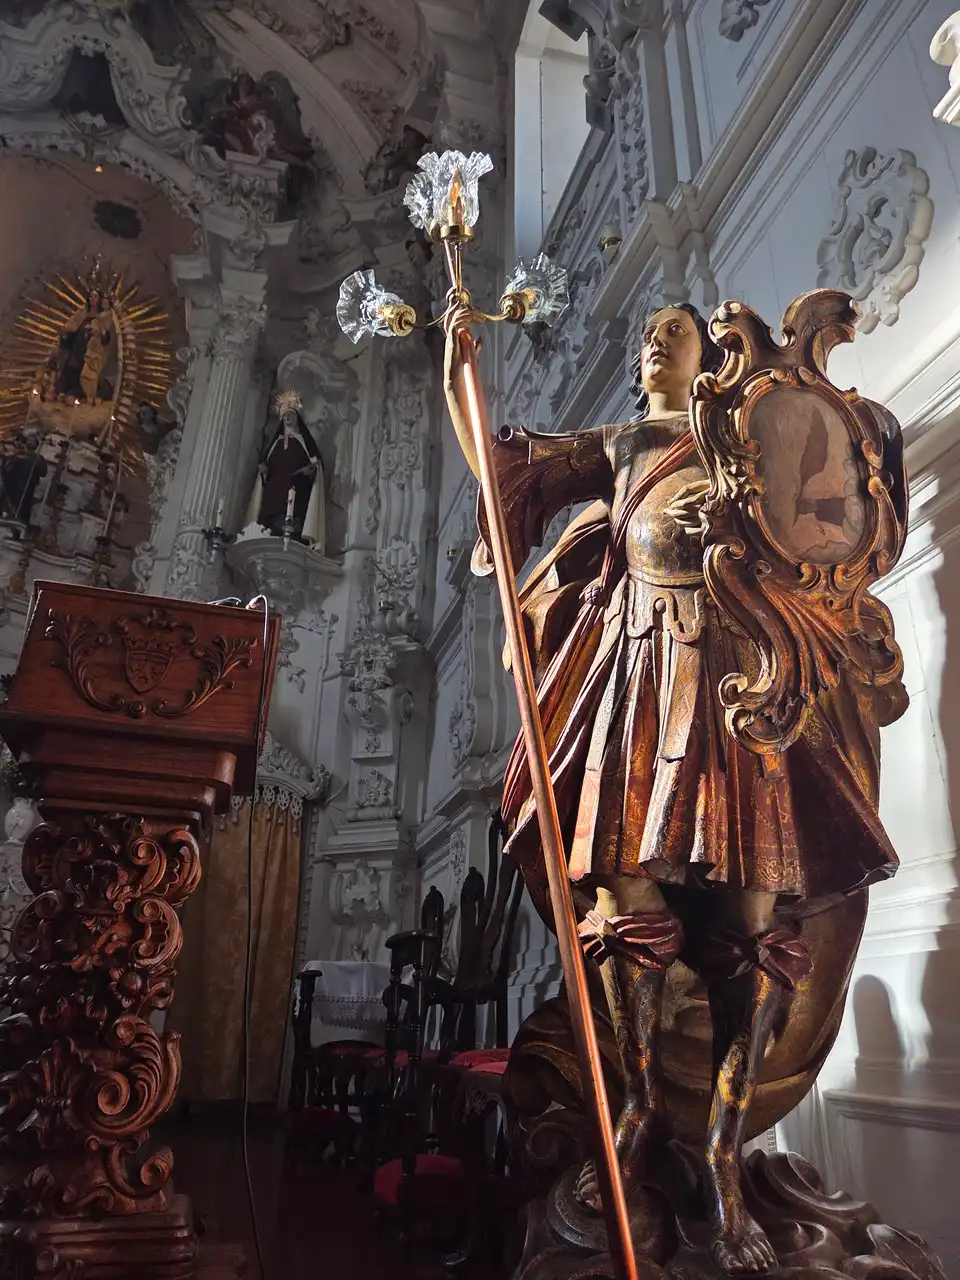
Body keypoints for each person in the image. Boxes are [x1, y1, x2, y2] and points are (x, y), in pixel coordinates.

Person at [443, 301, 908, 1274]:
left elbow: (831, 505)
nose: (655, 339)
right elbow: (501, 469)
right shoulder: (620, 441)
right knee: (624, 906)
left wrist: (737, 518)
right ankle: (642, 1109)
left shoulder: (738, 431)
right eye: (646, 333)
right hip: (635, 680)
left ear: (708, 355)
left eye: (674, 330)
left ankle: (722, 1152)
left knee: (751, 930)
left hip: (736, 684)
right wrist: (458, 365)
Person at [244, 391, 325, 549]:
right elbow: (266, 471)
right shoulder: (275, 444)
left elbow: (315, 465)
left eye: (291, 414)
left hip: (295, 490)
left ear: (296, 418)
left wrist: (311, 472)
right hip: (274, 492)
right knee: (271, 520)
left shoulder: (303, 442)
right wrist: (264, 470)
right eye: (285, 415)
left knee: (291, 516)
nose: (288, 417)